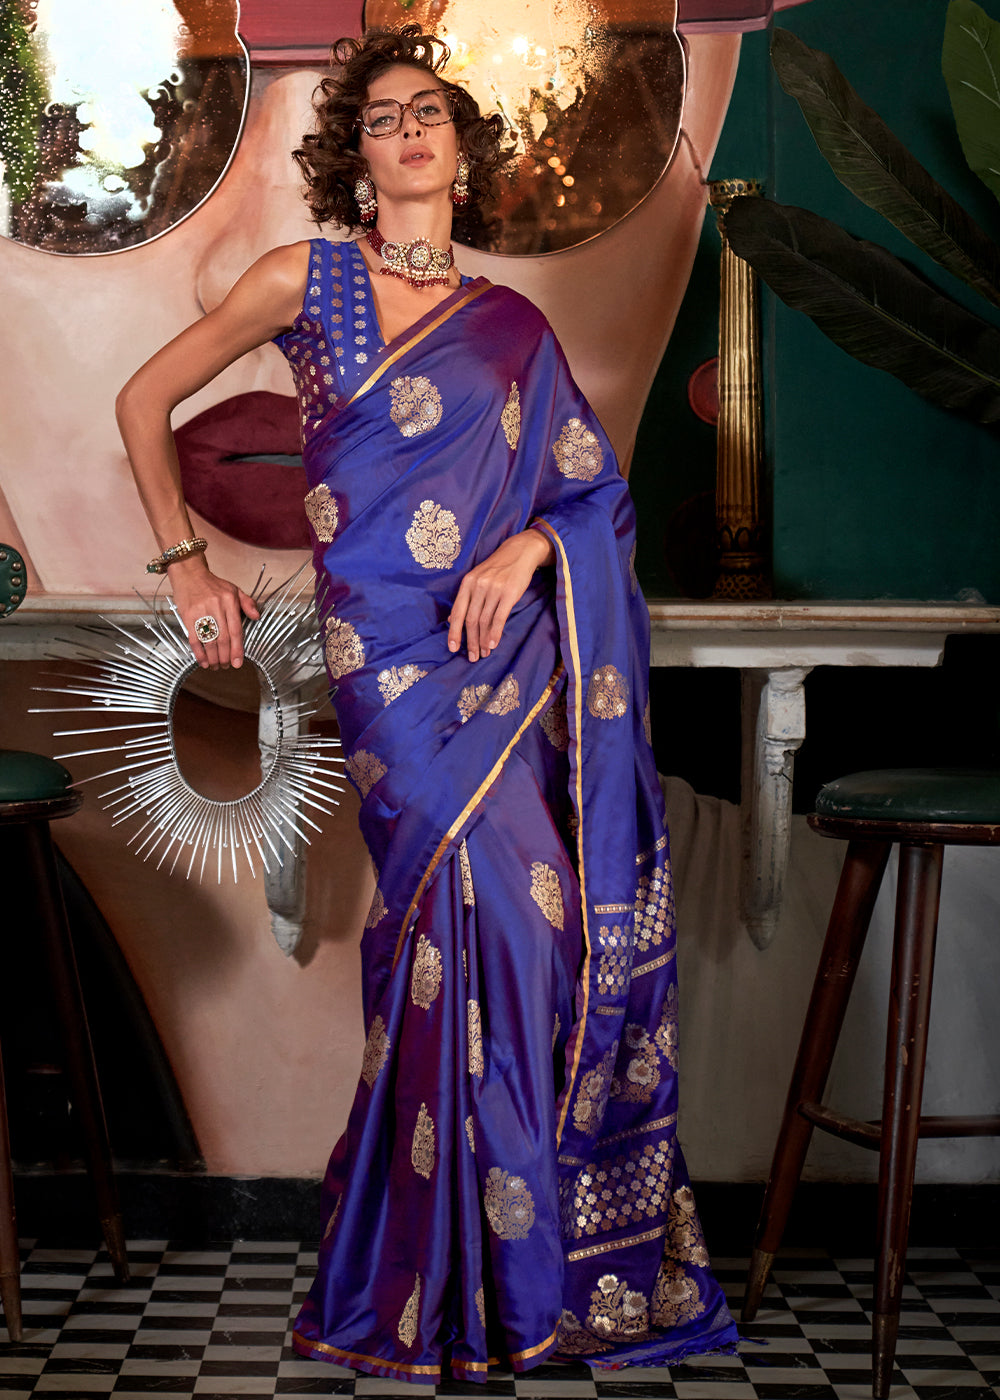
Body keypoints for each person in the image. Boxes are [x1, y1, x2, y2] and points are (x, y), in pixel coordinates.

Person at [116, 24, 738, 1385]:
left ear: (463, 152)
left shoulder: (513, 329)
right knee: (476, 930)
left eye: (428, 114)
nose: (406, 132)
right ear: (359, 155)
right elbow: (144, 396)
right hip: (388, 667)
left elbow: (592, 492)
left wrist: (530, 551)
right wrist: (186, 565)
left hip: (501, 665)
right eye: (383, 117)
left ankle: (486, 1275)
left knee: (527, 938)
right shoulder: (305, 280)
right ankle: (478, 1284)